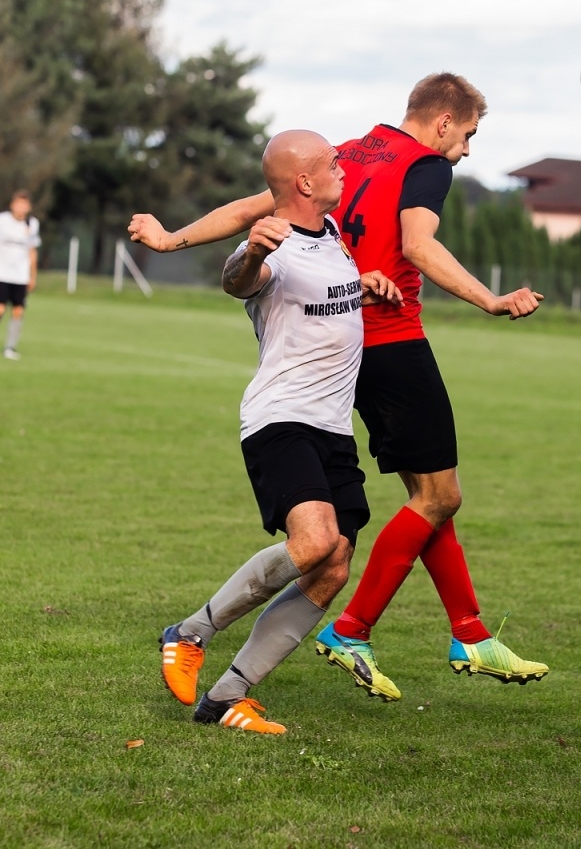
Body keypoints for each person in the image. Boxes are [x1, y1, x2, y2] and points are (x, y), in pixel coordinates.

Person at [131, 73, 549, 703]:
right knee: (432, 497)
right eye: (466, 135)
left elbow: (257, 202)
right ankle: (355, 630)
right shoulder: (426, 166)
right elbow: (413, 244)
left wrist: (173, 239)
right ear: (442, 123)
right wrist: (488, 299)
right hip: (385, 346)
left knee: (411, 505)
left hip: (343, 360)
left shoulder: (352, 156)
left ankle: (463, 628)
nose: (464, 150)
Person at [158, 129, 401, 734]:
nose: (342, 169)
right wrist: (252, 254)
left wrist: (365, 285)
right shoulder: (274, 245)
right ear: (304, 182)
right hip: (281, 419)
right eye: (331, 163)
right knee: (316, 542)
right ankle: (189, 633)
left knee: (335, 564)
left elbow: (326, 295)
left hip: (332, 427)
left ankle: (225, 699)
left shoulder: (333, 235)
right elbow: (238, 280)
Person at [0, 191, 40, 360]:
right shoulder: (1, 220)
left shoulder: (32, 224)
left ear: (28, 207)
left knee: (18, 311)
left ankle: (10, 347)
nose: (21, 208)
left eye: (24, 205)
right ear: (12, 205)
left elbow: (32, 251)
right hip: (1, 273)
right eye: (18, 204)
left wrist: (32, 276)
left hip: (21, 275)